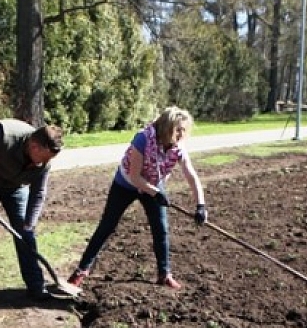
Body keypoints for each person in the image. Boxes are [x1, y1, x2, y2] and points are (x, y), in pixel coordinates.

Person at [67, 106, 207, 290]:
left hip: (154, 185)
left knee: (161, 229)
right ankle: (81, 271)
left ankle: (164, 274)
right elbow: (135, 177)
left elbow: (191, 176)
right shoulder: (143, 139)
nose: (181, 134)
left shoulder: (177, 148)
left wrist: (200, 206)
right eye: (177, 129)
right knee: (107, 226)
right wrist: (156, 193)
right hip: (126, 184)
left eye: (183, 130)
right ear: (167, 127)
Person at [0, 119, 64, 302]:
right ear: (34, 146)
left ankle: (35, 285)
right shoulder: (1, 136)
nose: (45, 163)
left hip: (14, 187)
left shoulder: (44, 162)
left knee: (25, 234)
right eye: (44, 157)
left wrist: (29, 223)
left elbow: (38, 193)